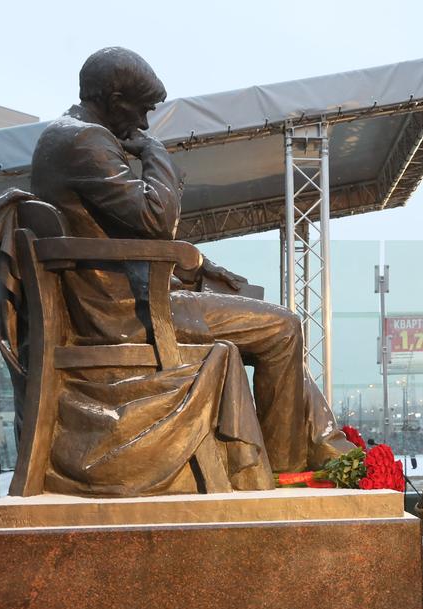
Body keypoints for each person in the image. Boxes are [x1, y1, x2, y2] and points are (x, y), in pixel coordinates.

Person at [26, 47, 350, 477]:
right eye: (141, 112)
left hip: (121, 300)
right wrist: (155, 153)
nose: (142, 125)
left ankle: (314, 449)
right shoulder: (85, 140)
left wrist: (197, 267)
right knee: (283, 328)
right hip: (130, 314)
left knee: (260, 310)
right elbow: (155, 221)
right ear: (114, 98)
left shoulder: (66, 137)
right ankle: (288, 471)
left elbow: (121, 233)